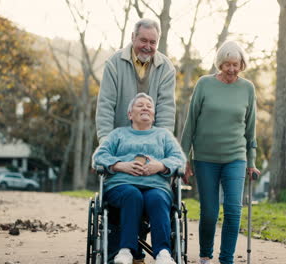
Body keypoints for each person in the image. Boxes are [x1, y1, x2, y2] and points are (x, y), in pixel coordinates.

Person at [180, 41, 261, 264]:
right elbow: (190, 124)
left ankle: (227, 260)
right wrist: (183, 158)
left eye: (236, 64)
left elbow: (251, 128)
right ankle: (206, 255)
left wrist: (251, 161)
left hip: (235, 157)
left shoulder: (247, 88)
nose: (231, 69)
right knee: (209, 212)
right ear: (220, 64)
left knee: (234, 210)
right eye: (227, 64)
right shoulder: (204, 84)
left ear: (242, 64)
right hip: (205, 158)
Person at [92, 93, 185, 264]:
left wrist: (161, 166)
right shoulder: (118, 134)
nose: (145, 108)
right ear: (130, 114)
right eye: (140, 105)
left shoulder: (163, 135)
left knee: (157, 198)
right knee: (132, 195)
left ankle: (163, 253)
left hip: (156, 186)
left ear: (153, 114)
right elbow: (99, 156)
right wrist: (120, 165)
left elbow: (179, 159)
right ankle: (126, 251)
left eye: (149, 106)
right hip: (121, 185)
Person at [95, 18, 176, 144]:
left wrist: (161, 144)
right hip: (118, 141)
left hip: (151, 144)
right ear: (133, 37)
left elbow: (166, 110)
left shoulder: (166, 69)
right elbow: (106, 105)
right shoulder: (114, 63)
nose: (147, 47)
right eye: (143, 40)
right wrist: (106, 140)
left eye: (153, 42)